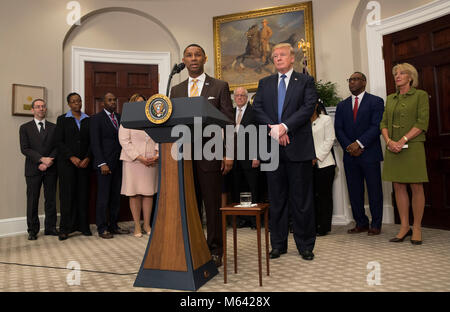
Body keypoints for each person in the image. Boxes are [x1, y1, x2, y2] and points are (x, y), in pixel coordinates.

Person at [170, 43, 234, 267]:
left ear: (205, 58)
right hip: (185, 156)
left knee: (212, 204)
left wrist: (229, 153)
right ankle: (193, 247)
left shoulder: (219, 86)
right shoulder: (176, 90)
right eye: (189, 55)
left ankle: (215, 249)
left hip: (211, 153)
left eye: (197, 54)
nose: (193, 58)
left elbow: (228, 122)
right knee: (190, 204)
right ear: (184, 61)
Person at [253, 43, 317, 261]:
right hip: (272, 149)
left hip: (298, 147)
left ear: (292, 58)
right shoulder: (265, 83)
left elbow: (308, 107)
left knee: (301, 200)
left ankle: (305, 245)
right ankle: (278, 244)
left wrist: (285, 127)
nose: (277, 58)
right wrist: (274, 129)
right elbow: (257, 109)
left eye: (282, 55)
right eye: (274, 55)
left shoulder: (306, 81)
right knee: (277, 199)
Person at [381, 63, 429, 245]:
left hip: (413, 146)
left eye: (402, 73)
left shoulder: (420, 95)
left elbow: (422, 122)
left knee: (416, 186)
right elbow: (383, 123)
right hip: (393, 147)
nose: (397, 76)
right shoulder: (391, 98)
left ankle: (416, 227)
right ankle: (404, 226)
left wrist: (402, 140)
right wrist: (389, 142)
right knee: (398, 185)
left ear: (411, 77)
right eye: (395, 73)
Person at [334, 72, 385, 235]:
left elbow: (376, 126)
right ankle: (361, 222)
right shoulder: (342, 105)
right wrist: (349, 146)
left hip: (369, 153)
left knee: (374, 190)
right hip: (350, 155)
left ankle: (376, 224)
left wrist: (359, 143)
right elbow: (338, 129)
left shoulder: (376, 101)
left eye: (355, 79)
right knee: (354, 191)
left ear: (364, 82)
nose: (352, 83)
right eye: (350, 80)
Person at [90, 92, 130, 239]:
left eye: (114, 100)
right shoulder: (96, 119)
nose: (113, 102)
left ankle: (114, 225)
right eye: (110, 100)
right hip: (104, 165)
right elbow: (95, 143)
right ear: (103, 103)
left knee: (115, 197)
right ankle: (102, 228)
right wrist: (102, 163)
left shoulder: (120, 118)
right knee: (103, 197)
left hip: (119, 163)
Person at [118, 93, 158, 238]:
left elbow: (159, 137)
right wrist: (139, 157)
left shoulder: (154, 118)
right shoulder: (127, 120)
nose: (140, 105)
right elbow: (124, 141)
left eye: (143, 102)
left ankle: (147, 224)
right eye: (137, 102)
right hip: (133, 161)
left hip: (151, 161)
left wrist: (157, 154)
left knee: (148, 193)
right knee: (134, 193)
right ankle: (136, 225)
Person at [19, 99, 58, 240]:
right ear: (32, 110)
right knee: (32, 200)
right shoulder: (25, 128)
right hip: (33, 169)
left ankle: (51, 227)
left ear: (45, 109)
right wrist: (41, 160)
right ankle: (32, 230)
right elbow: (25, 148)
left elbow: (57, 147)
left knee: (51, 199)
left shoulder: (54, 127)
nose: (41, 109)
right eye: (38, 107)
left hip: (51, 168)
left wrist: (49, 161)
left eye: (43, 106)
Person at [55, 92, 92, 241]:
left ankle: (83, 226)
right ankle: (65, 229)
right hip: (67, 164)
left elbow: (92, 141)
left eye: (79, 101)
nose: (77, 103)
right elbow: (58, 142)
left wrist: (88, 157)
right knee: (67, 196)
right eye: (73, 101)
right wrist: (71, 156)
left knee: (83, 196)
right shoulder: (62, 120)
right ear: (69, 104)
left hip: (85, 164)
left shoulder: (88, 120)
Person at [231, 87, 260, 229]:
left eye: (242, 95)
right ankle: (242, 219)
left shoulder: (254, 112)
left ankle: (255, 220)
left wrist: (257, 156)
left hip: (250, 157)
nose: (240, 97)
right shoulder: (230, 112)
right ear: (234, 97)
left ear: (247, 97)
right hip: (234, 158)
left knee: (253, 187)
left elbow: (258, 135)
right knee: (237, 187)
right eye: (237, 95)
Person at [311, 103, 336, 236]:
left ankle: (324, 227)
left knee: (324, 196)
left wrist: (316, 156)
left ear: (315, 105)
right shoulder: (302, 121)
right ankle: (313, 225)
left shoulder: (325, 119)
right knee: (311, 197)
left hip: (325, 164)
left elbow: (330, 139)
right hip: (307, 165)